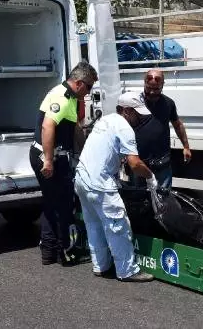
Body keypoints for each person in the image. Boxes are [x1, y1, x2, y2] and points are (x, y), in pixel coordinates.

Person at [74, 92, 159, 282]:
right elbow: (135, 163)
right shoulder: (125, 128)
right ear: (127, 111)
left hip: (82, 178)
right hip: (99, 183)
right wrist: (150, 177)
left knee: (94, 224)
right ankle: (127, 270)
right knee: (118, 225)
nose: (140, 119)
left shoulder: (105, 120)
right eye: (138, 114)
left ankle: (101, 266)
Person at [30, 61, 98, 266]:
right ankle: (68, 252)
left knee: (51, 204)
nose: (89, 92)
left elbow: (76, 122)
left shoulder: (69, 96)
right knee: (65, 205)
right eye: (89, 87)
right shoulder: (63, 96)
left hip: (48, 155)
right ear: (78, 83)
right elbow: (48, 127)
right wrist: (49, 161)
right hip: (49, 156)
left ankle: (49, 253)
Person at [134, 69, 191, 189]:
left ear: (162, 85)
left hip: (162, 163)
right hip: (139, 163)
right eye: (148, 88)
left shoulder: (169, 103)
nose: (152, 92)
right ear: (144, 83)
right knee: (138, 200)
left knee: (163, 200)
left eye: (156, 89)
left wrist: (186, 146)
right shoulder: (135, 103)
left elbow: (178, 125)